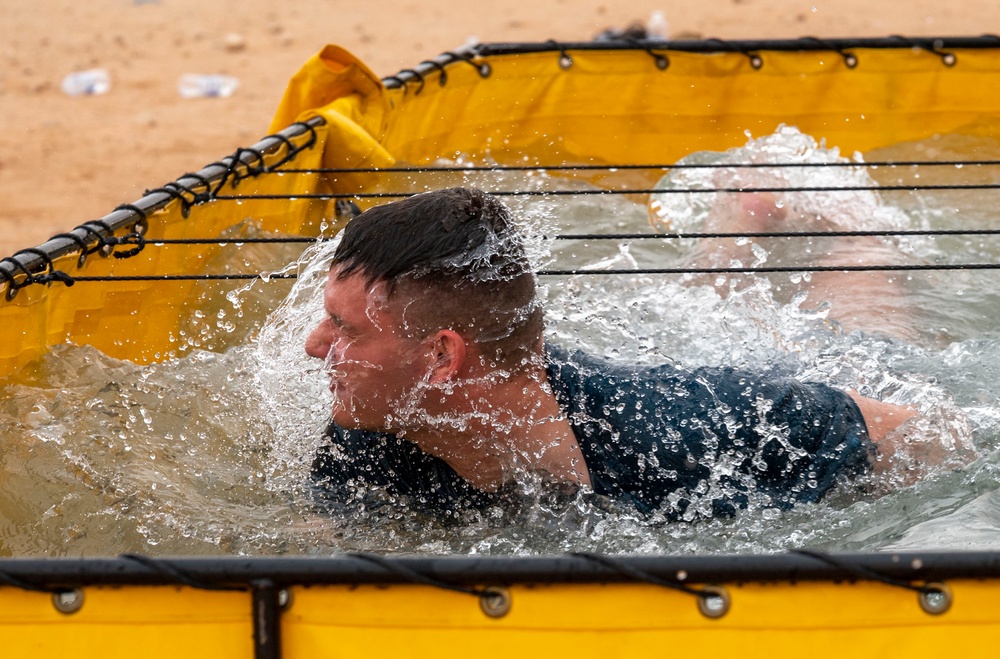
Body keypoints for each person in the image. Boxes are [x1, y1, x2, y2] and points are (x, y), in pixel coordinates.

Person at [305, 187, 915, 520]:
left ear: (442, 356)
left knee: (856, 335)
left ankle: (838, 232)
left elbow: (927, 433)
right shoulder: (370, 434)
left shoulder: (690, 434)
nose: (313, 347)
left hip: (818, 380)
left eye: (343, 327)